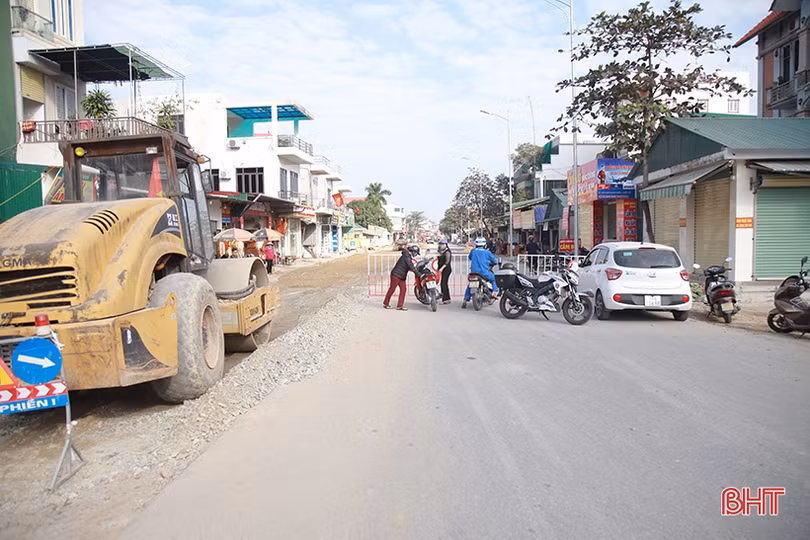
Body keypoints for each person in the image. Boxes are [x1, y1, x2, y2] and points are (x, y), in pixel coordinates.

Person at [462, 237, 499, 309]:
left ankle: (465, 300)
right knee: (493, 278)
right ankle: (495, 291)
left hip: (473, 273)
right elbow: (494, 261)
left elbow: (470, 258)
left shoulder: (473, 251)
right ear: (485, 244)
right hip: (484, 273)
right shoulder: (487, 252)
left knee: (470, 285)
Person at [384, 245, 419, 311]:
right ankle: (386, 303)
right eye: (416, 253)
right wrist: (419, 274)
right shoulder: (407, 257)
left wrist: (416, 270)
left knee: (403, 290)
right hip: (396, 275)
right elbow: (411, 267)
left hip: (401, 276)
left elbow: (410, 267)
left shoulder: (407, 256)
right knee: (392, 289)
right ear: (413, 251)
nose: (416, 255)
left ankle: (400, 306)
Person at [437, 239, 452, 304]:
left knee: (443, 284)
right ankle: (447, 298)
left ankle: (445, 299)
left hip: (446, 269)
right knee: (443, 284)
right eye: (441, 244)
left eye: (443, 244)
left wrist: (441, 269)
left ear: (446, 245)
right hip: (442, 269)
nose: (442, 245)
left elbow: (447, 262)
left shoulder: (447, 252)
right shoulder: (441, 251)